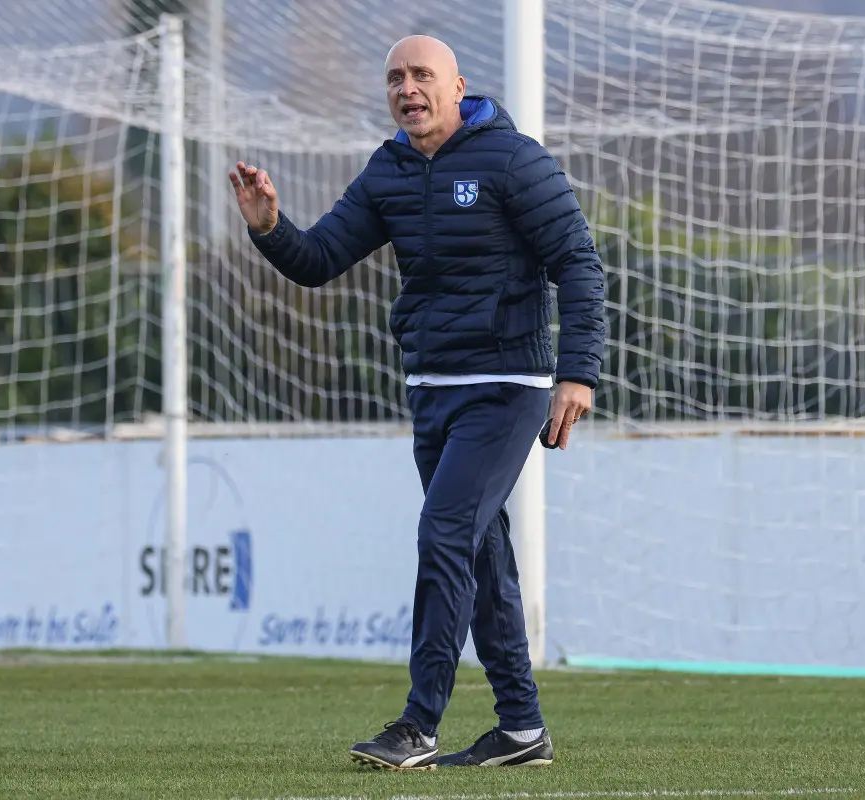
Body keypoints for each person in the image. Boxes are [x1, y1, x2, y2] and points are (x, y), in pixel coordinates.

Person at [229, 34, 606, 771]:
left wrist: (577, 374)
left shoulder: (512, 158)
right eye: (396, 77)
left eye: (422, 75)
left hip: (506, 388)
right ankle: (522, 728)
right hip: (431, 390)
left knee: (444, 533)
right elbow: (320, 261)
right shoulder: (389, 170)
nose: (408, 88)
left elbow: (579, 264)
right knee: (482, 553)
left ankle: (418, 725)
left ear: (457, 85)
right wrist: (269, 226)